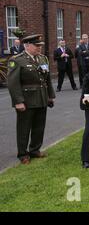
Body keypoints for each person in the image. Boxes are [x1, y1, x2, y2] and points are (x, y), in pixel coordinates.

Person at [7, 34, 55, 165]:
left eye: (40, 46)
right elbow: (13, 83)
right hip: (26, 99)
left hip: (41, 97)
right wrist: (18, 101)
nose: (39, 48)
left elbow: (47, 79)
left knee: (39, 126)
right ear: (27, 45)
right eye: (36, 45)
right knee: (24, 128)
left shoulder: (43, 59)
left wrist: (50, 96)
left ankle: (35, 150)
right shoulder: (17, 60)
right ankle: (23, 154)